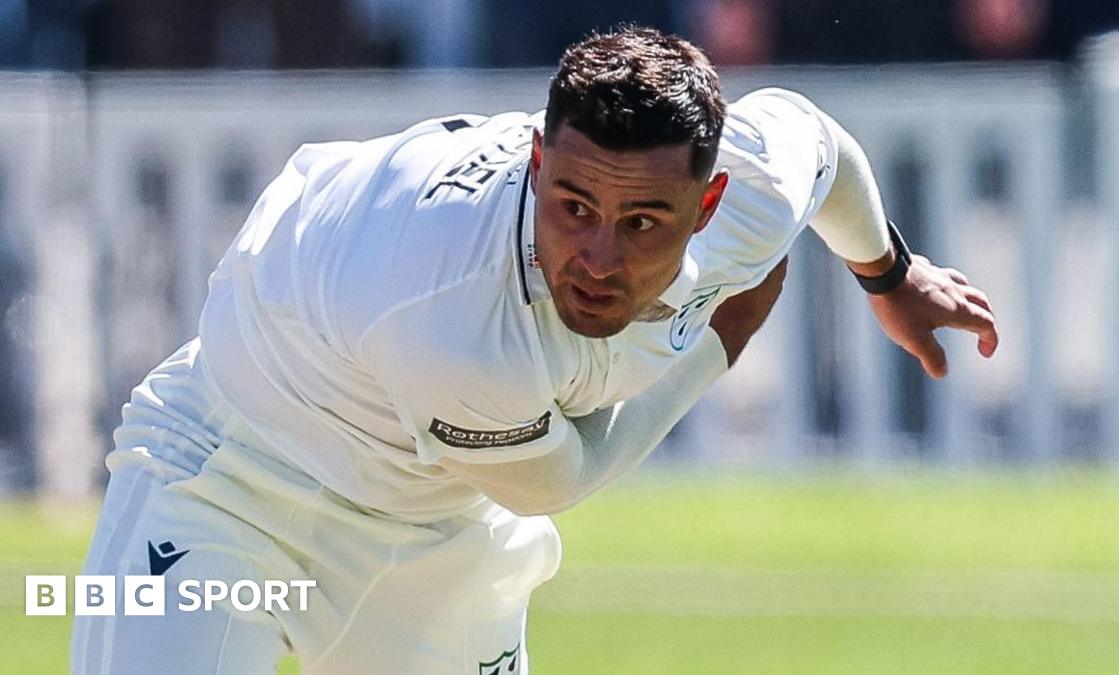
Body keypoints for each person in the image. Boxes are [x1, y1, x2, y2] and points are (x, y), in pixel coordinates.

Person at [70, 26, 999, 675]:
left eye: (642, 222)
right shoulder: (453, 323)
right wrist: (721, 341)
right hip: (230, 487)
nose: (597, 258)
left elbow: (822, 147)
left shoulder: (751, 189)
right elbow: (562, 477)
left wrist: (890, 274)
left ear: (709, 205)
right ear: (535, 166)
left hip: (437, 522)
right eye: (574, 208)